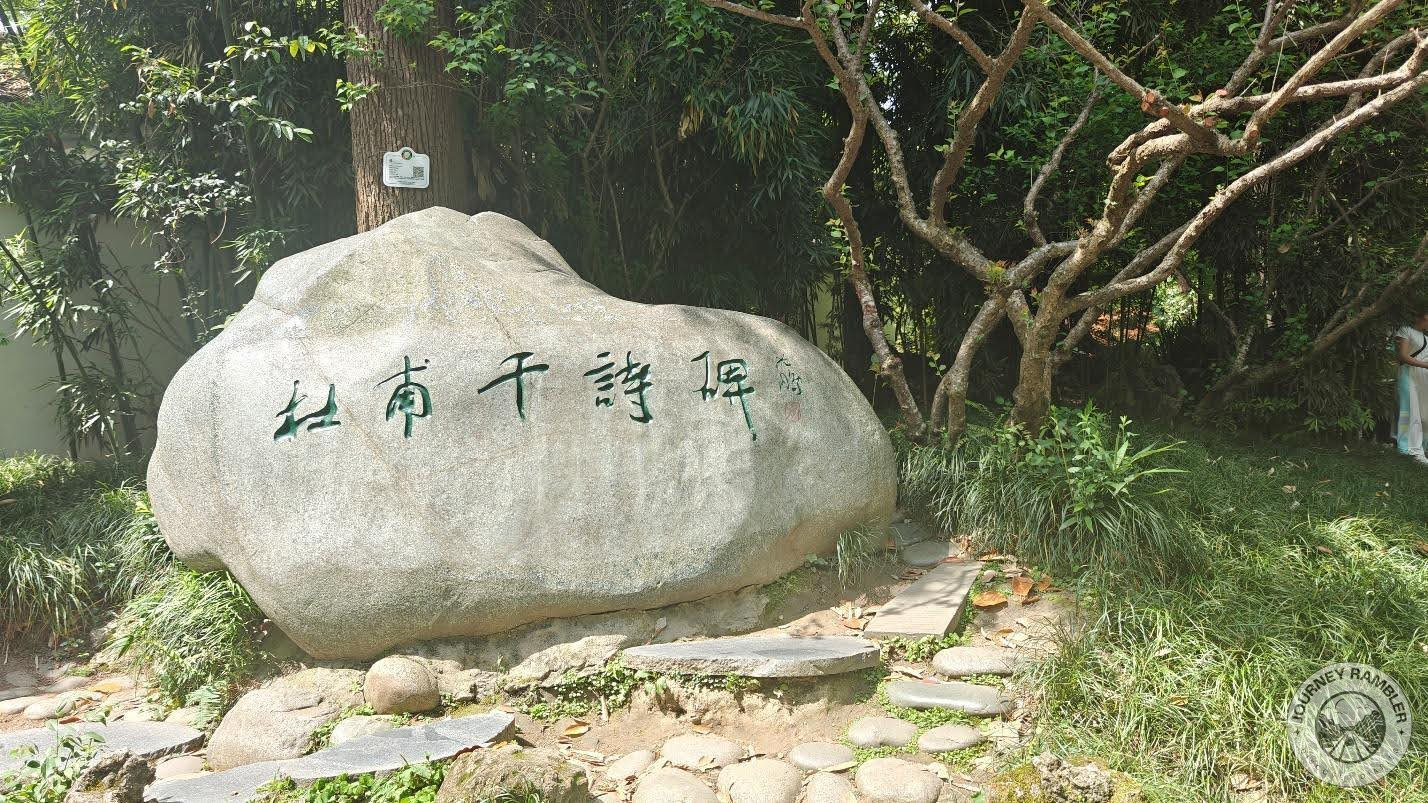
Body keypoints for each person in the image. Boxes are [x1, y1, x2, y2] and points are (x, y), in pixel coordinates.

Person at [1394, 313, 1428, 465]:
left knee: (1424, 415)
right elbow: (1402, 356)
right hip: (1409, 374)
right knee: (1410, 412)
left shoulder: (1427, 338)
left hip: (1424, 377)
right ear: (1422, 316)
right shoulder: (1405, 330)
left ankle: (1422, 447)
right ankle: (1408, 449)